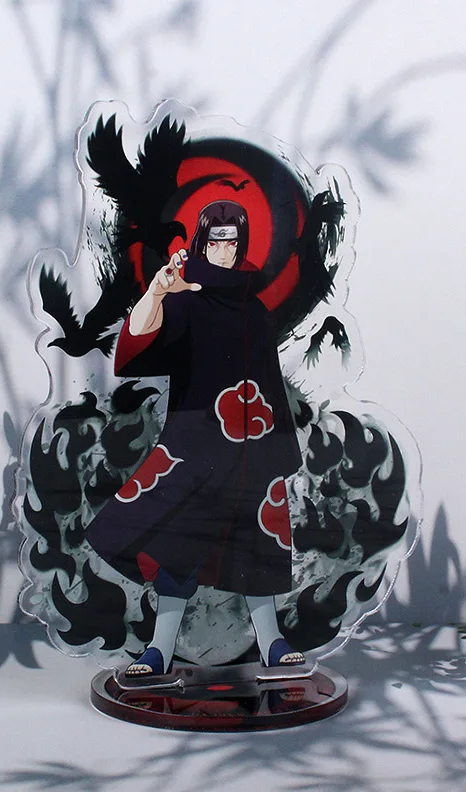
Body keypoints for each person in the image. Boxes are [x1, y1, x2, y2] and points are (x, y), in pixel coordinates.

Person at [84, 201, 305, 676]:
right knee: (178, 546)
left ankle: (271, 641)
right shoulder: (185, 299)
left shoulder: (255, 309)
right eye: (216, 240)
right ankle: (160, 648)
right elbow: (133, 352)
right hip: (195, 446)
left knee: (256, 547)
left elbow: (270, 380)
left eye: (233, 240)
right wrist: (156, 293)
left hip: (253, 450)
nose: (225, 250)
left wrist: (282, 447)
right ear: (202, 242)